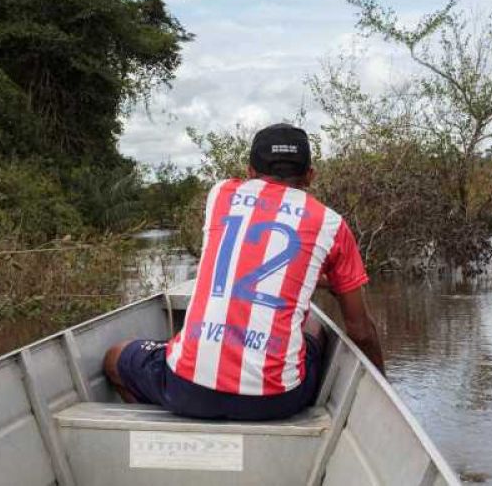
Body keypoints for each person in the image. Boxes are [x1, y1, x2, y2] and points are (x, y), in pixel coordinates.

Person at [104, 123, 384, 420]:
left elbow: (250, 254)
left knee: (114, 358)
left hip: (186, 389)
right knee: (313, 324)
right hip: (277, 401)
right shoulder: (332, 225)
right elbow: (360, 331)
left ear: (249, 172)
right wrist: (384, 388)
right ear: (310, 176)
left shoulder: (220, 194)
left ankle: (166, 430)